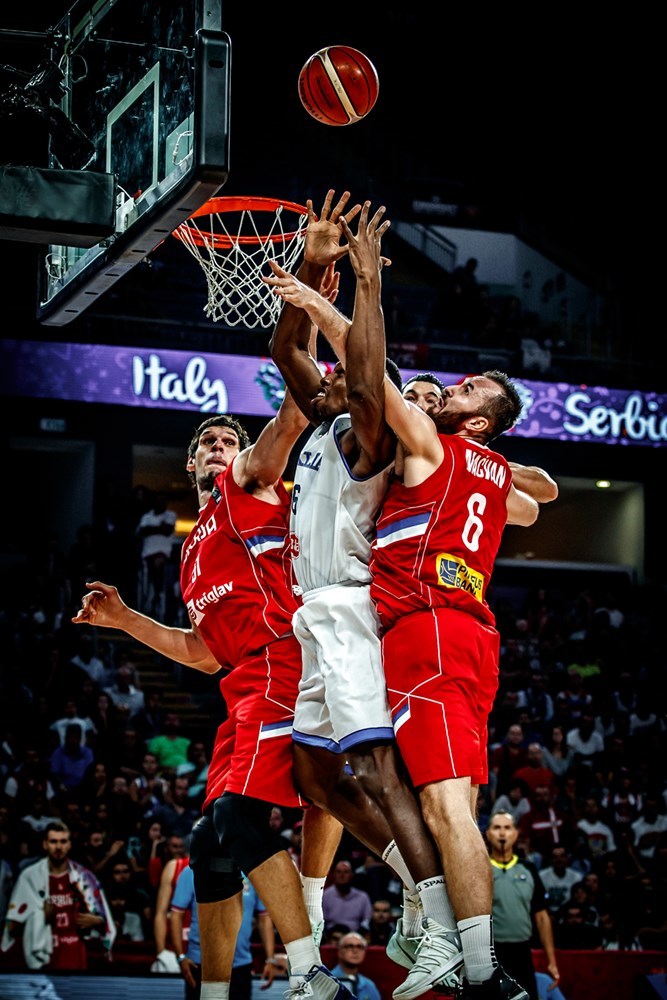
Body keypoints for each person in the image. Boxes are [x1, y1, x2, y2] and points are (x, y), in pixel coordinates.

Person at [72, 189, 360, 1000]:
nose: (219, 446)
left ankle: (308, 972)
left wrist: (311, 272)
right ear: (188, 466)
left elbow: (294, 410)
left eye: (227, 437)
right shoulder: (196, 550)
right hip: (239, 688)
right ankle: (213, 990)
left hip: (281, 667)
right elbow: (199, 653)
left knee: (236, 825)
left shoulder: (250, 486)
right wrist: (126, 618)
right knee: (207, 845)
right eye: (207, 440)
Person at [267, 198, 467, 996]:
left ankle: (444, 926)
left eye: (412, 388)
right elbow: (289, 348)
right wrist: (313, 263)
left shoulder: (370, 436)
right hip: (310, 613)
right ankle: (425, 897)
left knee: (375, 767)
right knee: (315, 779)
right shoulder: (321, 417)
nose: (398, 389)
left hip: (350, 609)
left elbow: (365, 373)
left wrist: (364, 284)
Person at [1, 820, 115, 970]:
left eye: (63, 841)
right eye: (53, 841)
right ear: (45, 844)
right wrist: (39, 916)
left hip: (74, 953)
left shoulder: (84, 877)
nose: (58, 847)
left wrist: (97, 922)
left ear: (69, 845)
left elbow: (105, 922)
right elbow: (11, 925)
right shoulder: (29, 877)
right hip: (41, 957)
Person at [170, 862, 278, 1000]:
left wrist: (270, 958)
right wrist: (181, 957)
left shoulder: (253, 872)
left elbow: (264, 918)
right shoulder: (192, 870)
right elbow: (175, 914)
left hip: (240, 965)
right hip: (200, 964)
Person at [485, 811, 560, 1000]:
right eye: (497, 828)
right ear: (488, 834)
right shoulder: (480, 868)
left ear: (516, 834)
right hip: (490, 954)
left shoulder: (528, 869)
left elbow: (542, 917)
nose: (502, 833)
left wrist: (551, 961)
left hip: (522, 953)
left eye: (507, 828)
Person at [136, 491, 177, 618]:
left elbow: (167, 531)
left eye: (163, 501)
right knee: (145, 585)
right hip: (146, 556)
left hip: (163, 555)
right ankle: (147, 605)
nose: (161, 503)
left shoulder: (170, 515)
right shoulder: (146, 517)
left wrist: (151, 529)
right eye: (158, 500)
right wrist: (159, 527)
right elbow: (141, 532)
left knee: (161, 580)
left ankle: (159, 603)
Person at [322, 860, 373, 935]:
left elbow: (367, 921)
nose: (342, 875)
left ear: (351, 875)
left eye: (346, 872)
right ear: (333, 875)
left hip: (356, 936)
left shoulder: (363, 897)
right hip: (331, 937)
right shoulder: (325, 895)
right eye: (338, 872)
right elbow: (322, 921)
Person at [329, 931, 382, 1000]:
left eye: (359, 947)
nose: (355, 950)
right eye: (350, 946)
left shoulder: (369, 985)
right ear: (339, 951)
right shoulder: (327, 981)